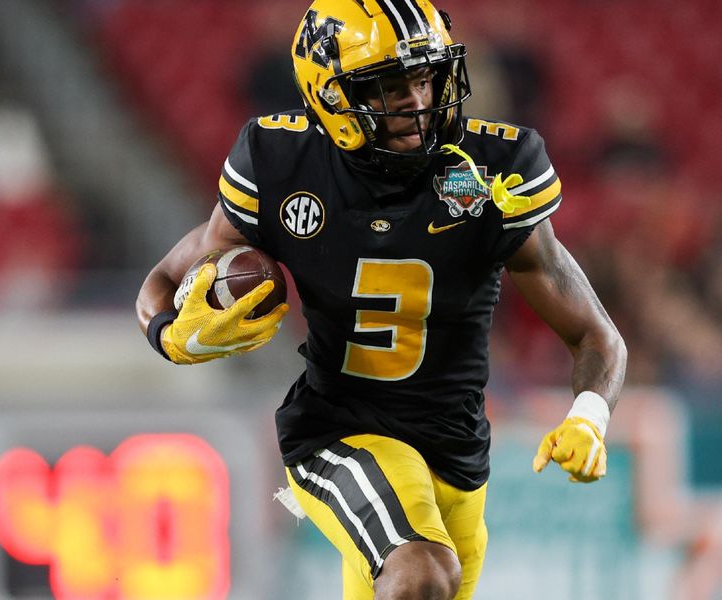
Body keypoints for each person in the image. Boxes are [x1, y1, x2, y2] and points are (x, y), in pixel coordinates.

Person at [136, 1, 627, 598]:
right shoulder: (283, 161)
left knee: (422, 577)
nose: (418, 102)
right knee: (422, 570)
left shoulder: (492, 170)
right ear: (332, 96)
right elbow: (168, 275)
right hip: (337, 430)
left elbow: (596, 335)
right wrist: (168, 333)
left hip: (456, 450)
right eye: (391, 87)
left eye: (423, 78)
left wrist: (588, 417)